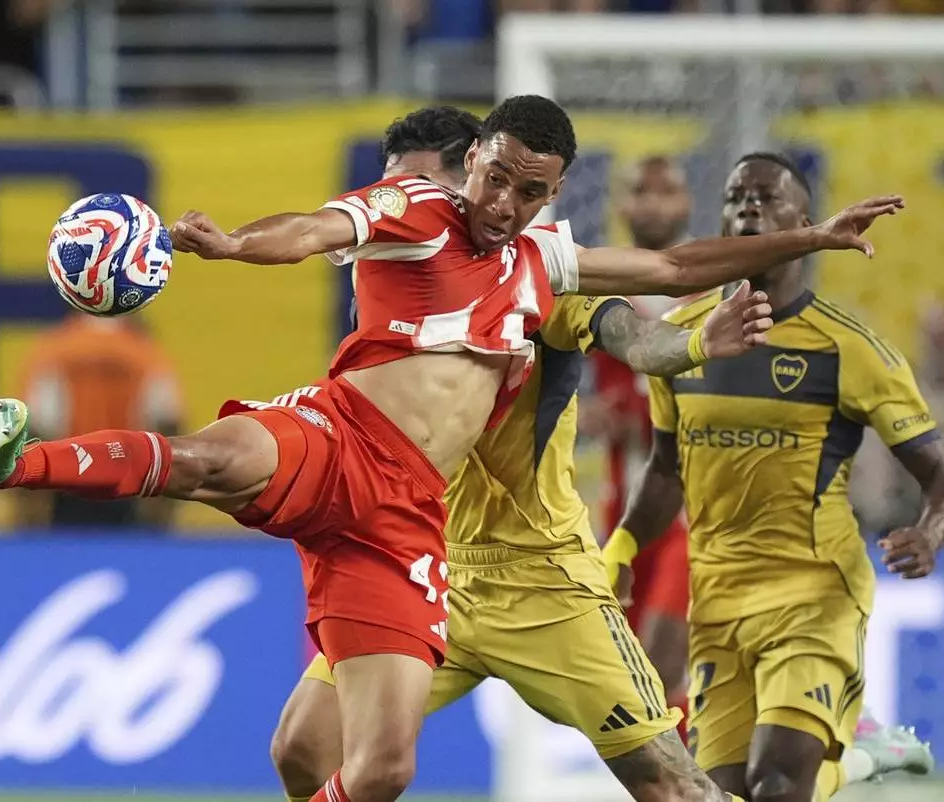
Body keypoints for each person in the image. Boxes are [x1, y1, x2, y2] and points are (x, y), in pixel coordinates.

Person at [0, 96, 903, 802]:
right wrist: (231, 245)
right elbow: (313, 229)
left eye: (531, 191)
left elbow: (670, 272)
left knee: (399, 769)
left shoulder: (543, 266)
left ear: (552, 194)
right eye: (495, 177)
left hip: (428, 537)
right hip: (337, 438)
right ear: (470, 160)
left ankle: (837, 770)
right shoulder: (414, 215)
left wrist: (809, 238)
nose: (505, 201)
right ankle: (11, 459)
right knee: (209, 465)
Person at [270, 108, 763, 802]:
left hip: (542, 578)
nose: (393, 211)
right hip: (424, 566)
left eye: (415, 188)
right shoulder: (389, 290)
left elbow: (638, 340)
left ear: (467, 169)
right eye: (387, 191)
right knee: (303, 749)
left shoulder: (544, 280)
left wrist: (695, 343)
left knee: (671, 787)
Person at [605, 152, 944, 802]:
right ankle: (859, 759)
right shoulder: (681, 339)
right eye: (738, 196)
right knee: (725, 792)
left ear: (802, 223)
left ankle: (846, 754)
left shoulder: (849, 348)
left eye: (768, 199)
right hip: (716, 600)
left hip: (813, 593)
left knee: (777, 785)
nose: (750, 207)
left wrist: (931, 531)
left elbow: (943, 475)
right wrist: (623, 548)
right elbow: (665, 467)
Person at [587, 155, 695, 727]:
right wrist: (583, 415)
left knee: (659, 660)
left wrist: (641, 418)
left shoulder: (714, 291)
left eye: (667, 190)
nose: (653, 203)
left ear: (688, 204)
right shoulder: (597, 286)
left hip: (691, 512)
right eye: (640, 190)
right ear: (623, 205)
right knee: (636, 688)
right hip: (624, 513)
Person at [16, 314, 182, 531]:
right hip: (129, 485)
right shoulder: (143, 350)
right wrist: (162, 503)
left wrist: (31, 506)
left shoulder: (57, 347)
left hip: (67, 483)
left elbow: (38, 425)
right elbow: (168, 419)